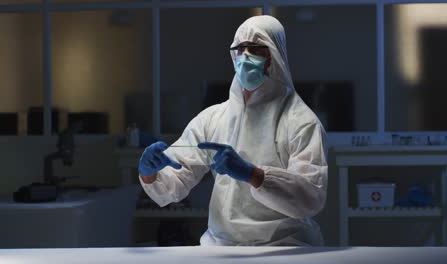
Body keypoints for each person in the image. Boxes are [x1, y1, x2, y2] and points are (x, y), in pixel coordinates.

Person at [138, 15, 328, 246]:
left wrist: (253, 175)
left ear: (273, 56)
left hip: (284, 246)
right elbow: (174, 182)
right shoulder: (213, 119)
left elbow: (309, 197)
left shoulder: (300, 122)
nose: (246, 56)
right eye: (240, 48)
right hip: (222, 247)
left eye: (256, 49)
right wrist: (150, 172)